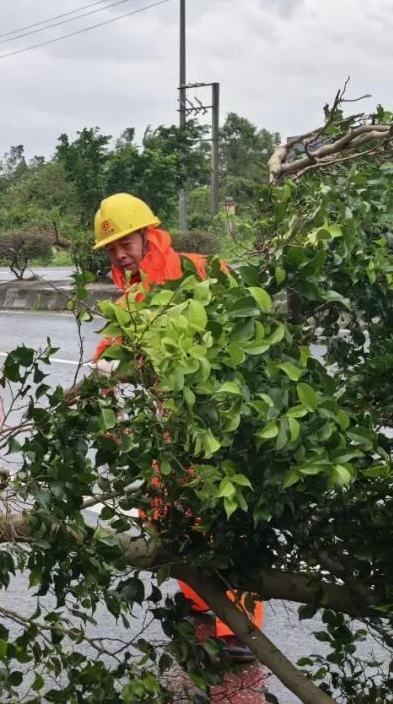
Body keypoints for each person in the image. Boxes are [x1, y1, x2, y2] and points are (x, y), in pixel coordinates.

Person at [91, 193, 262, 661]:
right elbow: (112, 345)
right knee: (172, 509)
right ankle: (197, 602)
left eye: (124, 243)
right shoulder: (133, 292)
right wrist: (104, 386)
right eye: (110, 249)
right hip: (172, 421)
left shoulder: (198, 271)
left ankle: (239, 630)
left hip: (217, 418)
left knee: (225, 516)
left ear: (148, 233)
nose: (119, 255)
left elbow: (245, 325)